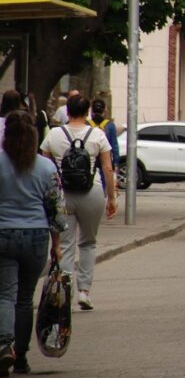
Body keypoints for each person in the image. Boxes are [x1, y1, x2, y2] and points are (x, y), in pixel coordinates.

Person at [0, 110, 66, 376]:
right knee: (25, 299)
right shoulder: (46, 167)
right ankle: (21, 357)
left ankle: (4, 345)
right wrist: (57, 244)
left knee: (5, 294)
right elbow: (56, 210)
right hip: (36, 237)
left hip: (2, 235)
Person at [41, 94, 117, 311]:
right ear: (87, 113)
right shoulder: (98, 134)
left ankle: (64, 292)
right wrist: (111, 198)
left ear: (68, 112)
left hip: (62, 194)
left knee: (65, 245)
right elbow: (108, 168)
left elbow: (45, 167)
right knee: (89, 242)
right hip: (91, 192)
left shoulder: (54, 134)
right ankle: (84, 291)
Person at [89, 99, 120, 189]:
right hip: (105, 158)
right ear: (104, 110)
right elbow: (114, 146)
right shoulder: (110, 125)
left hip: (91, 157)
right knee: (104, 182)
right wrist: (115, 163)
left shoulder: (88, 124)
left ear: (92, 110)